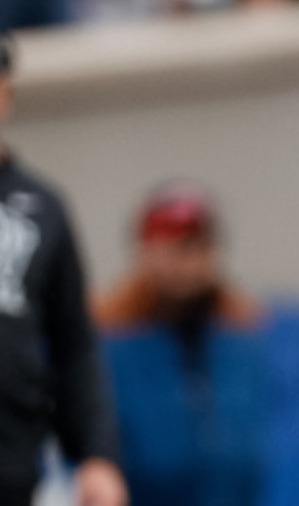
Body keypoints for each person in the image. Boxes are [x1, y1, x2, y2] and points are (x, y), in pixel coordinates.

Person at [0, 36, 126, 506]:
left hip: (12, 461)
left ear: (5, 91)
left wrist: (97, 455)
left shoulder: (42, 208)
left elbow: (73, 343)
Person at [93, 180, 267, 506]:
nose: (181, 263)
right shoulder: (110, 337)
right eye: (168, 247)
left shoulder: (241, 334)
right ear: (142, 251)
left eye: (193, 246)